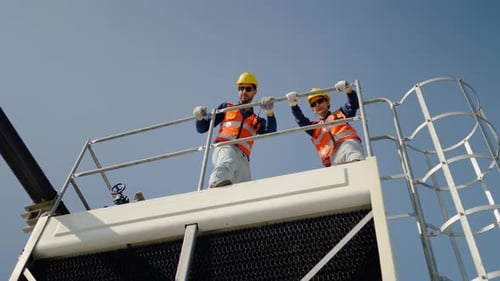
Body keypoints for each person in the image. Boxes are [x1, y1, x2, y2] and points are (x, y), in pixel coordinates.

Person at [193, 72, 277, 188]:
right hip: (225, 147)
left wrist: (269, 112)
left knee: (245, 187)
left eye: (248, 89)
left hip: (243, 157)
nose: (243, 92)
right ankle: (214, 185)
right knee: (227, 162)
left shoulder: (256, 119)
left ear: (255, 91)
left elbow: (271, 131)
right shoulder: (226, 107)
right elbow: (203, 128)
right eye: (241, 88)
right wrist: (199, 118)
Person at [285, 80, 364, 167]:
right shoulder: (315, 127)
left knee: (358, 171)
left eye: (320, 101)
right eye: (313, 104)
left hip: (349, 146)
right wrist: (293, 105)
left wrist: (349, 91)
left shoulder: (341, 113)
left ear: (327, 102)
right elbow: (301, 121)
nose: (317, 105)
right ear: (312, 109)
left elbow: (354, 104)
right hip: (332, 157)